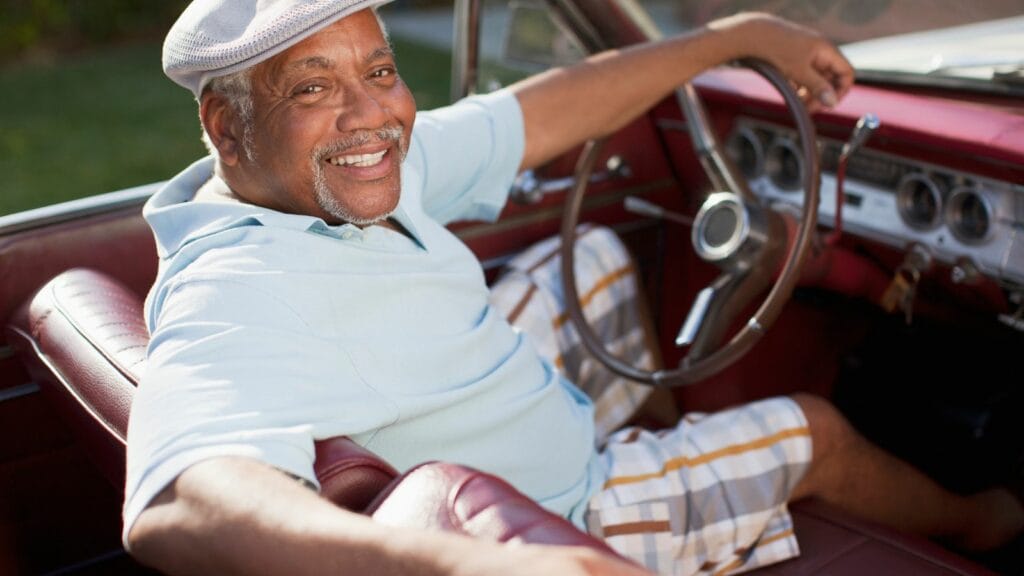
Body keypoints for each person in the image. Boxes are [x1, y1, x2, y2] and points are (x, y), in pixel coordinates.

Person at [124, 1, 1024, 574]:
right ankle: (982, 522)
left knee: (595, 255)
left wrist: (734, 37)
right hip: (563, 505)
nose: (372, 116)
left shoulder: (339, 170)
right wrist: (452, 566)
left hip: (480, 409)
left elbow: (544, 111)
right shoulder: (237, 286)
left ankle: (683, 446)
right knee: (815, 431)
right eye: (312, 88)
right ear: (226, 126)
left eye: (380, 71)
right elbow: (177, 504)